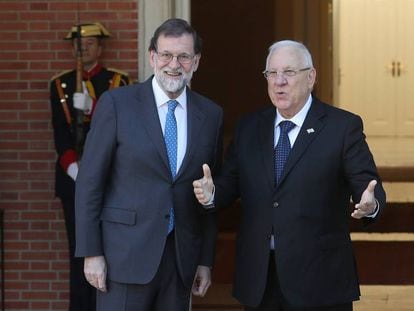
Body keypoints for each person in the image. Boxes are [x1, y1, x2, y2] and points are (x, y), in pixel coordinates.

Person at [193, 40, 386, 311]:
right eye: (272, 73)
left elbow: (368, 186)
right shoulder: (250, 127)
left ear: (311, 77)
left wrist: (370, 205)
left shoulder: (342, 127)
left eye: (289, 72)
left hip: (320, 281)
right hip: (261, 279)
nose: (279, 81)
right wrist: (210, 192)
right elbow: (229, 184)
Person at [74, 18, 223, 310]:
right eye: (166, 54)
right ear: (152, 56)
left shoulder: (211, 115)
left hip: (181, 260)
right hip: (123, 257)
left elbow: (209, 193)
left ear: (196, 61)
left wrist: (205, 260)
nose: (174, 64)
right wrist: (92, 252)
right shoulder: (117, 104)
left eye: (183, 56)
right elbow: (90, 182)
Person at [50, 22, 130, 311]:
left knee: (109, 248)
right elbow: (60, 132)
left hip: (109, 179)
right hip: (73, 178)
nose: (82, 49)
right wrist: (76, 171)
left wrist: (92, 108)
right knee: (78, 250)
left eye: (89, 43)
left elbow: (122, 126)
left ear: (100, 46)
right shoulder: (60, 83)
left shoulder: (118, 82)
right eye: (77, 44)